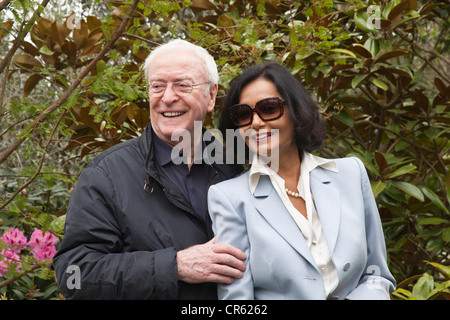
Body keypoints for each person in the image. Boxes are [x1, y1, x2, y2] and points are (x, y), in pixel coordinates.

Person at [53, 39, 246, 299]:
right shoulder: (107, 175)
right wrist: (173, 267)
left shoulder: (236, 166)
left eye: (182, 85)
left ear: (211, 95)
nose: (167, 97)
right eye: (157, 86)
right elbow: (73, 275)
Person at [207, 62, 396, 300]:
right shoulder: (229, 198)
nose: (255, 122)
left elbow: (377, 274)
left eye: (268, 108)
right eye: (244, 114)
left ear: (296, 111)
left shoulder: (350, 173)